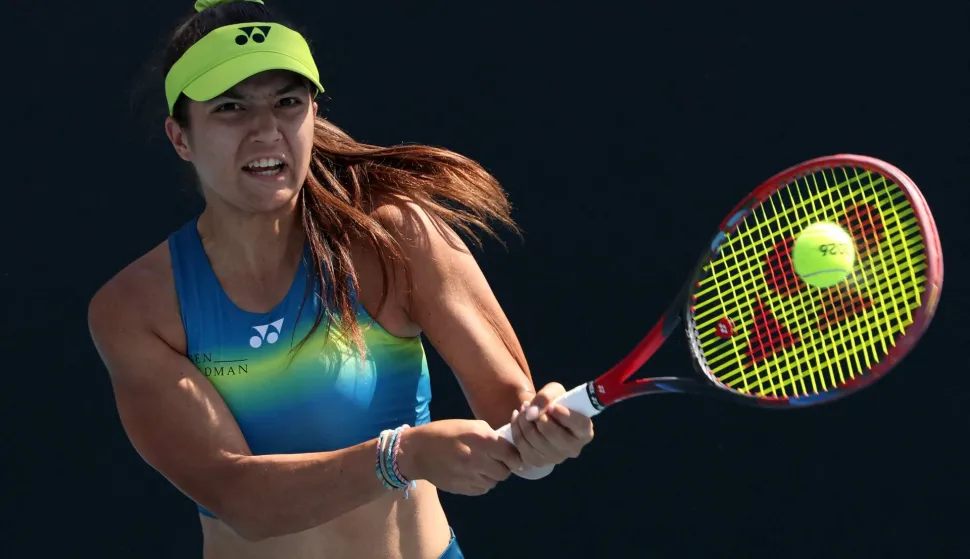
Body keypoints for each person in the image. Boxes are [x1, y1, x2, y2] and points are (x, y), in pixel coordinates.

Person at [87, 0, 595, 557]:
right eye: (231, 108)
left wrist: (541, 439)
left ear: (312, 114)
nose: (266, 130)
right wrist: (402, 456)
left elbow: (512, 411)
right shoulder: (138, 308)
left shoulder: (396, 239)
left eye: (288, 102)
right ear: (180, 137)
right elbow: (239, 497)